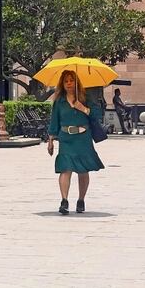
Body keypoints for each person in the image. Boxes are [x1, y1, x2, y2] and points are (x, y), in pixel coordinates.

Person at [47, 71, 104, 215]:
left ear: (76, 82)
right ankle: (64, 201)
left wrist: (83, 109)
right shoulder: (59, 101)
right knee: (65, 168)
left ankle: (81, 200)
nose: (69, 84)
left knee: (83, 170)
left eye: (71, 80)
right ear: (62, 84)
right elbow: (54, 121)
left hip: (83, 138)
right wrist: (51, 139)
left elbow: (98, 114)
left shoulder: (85, 98)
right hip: (66, 138)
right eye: (66, 81)